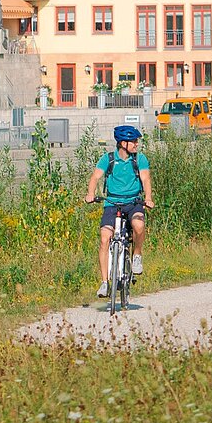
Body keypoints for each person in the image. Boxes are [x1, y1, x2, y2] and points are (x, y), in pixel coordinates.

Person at [84, 124, 153, 298]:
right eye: (133, 141)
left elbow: (146, 180)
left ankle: (136, 255)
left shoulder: (140, 159)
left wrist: (149, 198)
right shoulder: (108, 159)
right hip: (112, 203)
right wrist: (91, 193)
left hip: (134, 202)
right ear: (123, 143)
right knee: (104, 238)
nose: (137, 144)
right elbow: (95, 177)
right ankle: (104, 283)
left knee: (138, 225)